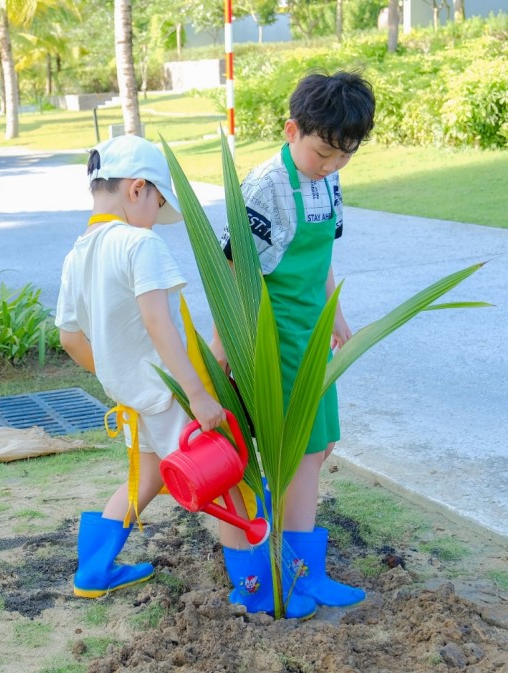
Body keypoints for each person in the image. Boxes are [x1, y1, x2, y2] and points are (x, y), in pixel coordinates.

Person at [54, 134, 273, 603]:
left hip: (133, 398)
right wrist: (195, 392)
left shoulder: (77, 255)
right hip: (172, 394)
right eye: (158, 201)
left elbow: (70, 339)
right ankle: (253, 592)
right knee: (230, 481)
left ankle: (93, 571)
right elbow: (158, 322)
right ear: (138, 190)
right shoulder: (138, 244)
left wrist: (120, 376)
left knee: (148, 477)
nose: (157, 215)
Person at [213, 71, 376, 614]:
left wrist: (336, 314)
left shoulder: (327, 180)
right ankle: (292, 577)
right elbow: (231, 274)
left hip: (313, 334)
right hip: (272, 337)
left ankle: (295, 566)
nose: (332, 165)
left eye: (344, 156)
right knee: (300, 454)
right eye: (324, 151)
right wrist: (224, 352)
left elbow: (323, 253)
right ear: (291, 130)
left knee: (321, 445)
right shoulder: (265, 186)